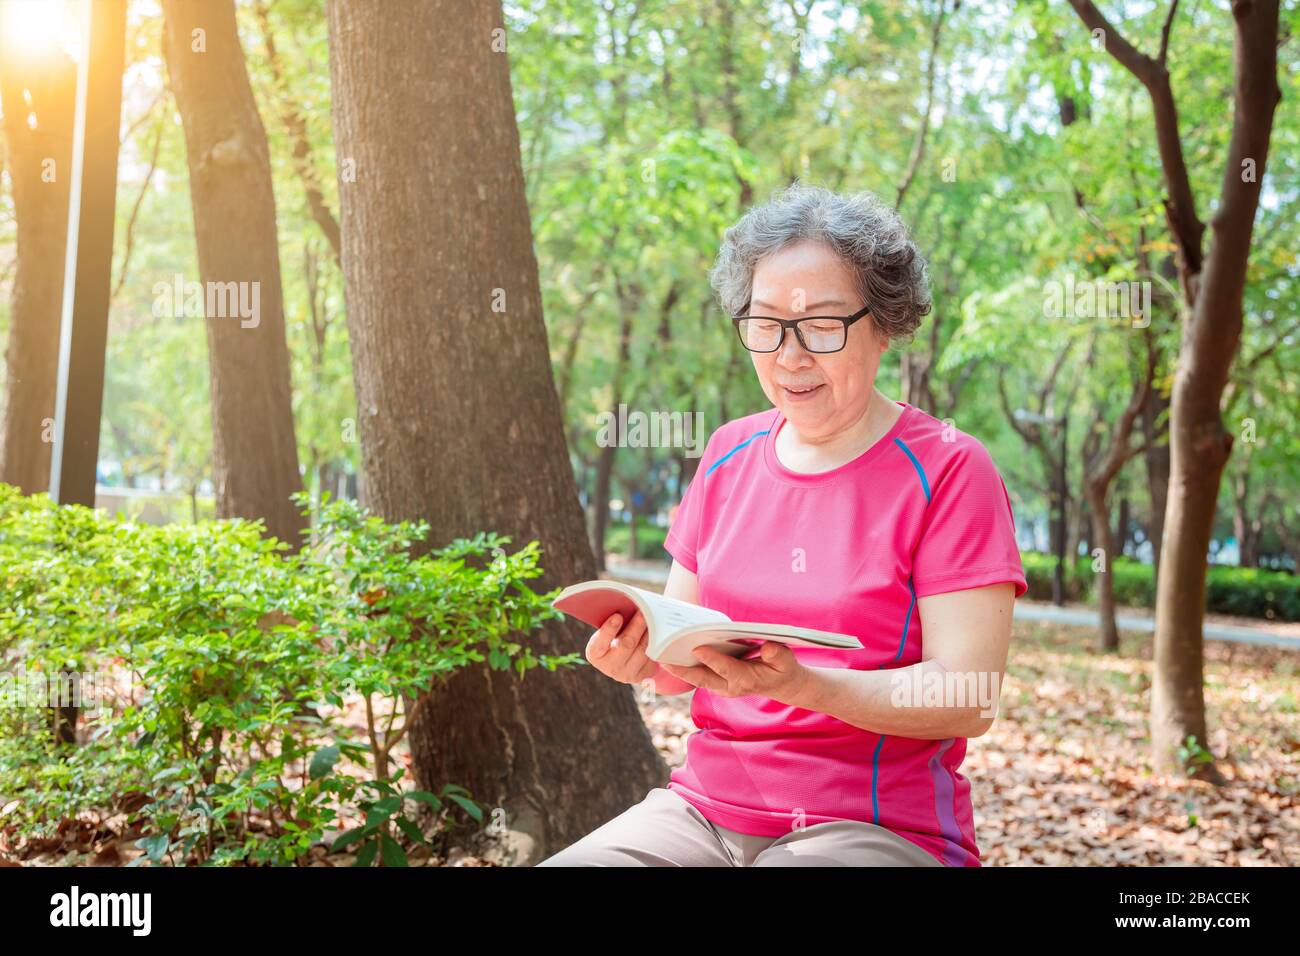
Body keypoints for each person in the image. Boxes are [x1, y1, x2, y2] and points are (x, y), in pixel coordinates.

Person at [537, 182, 1026, 867]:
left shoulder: (949, 469)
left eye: (822, 327)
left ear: (884, 324)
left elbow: (966, 697)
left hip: (875, 830)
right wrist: (644, 658)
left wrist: (806, 686)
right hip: (701, 812)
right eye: (765, 324)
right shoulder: (729, 453)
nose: (789, 356)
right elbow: (685, 657)